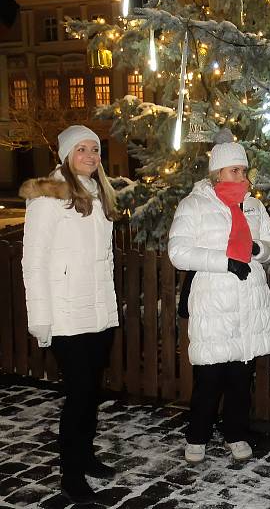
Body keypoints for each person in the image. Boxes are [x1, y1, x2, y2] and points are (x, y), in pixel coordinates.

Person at [168, 131, 270, 464]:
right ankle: (197, 436)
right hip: (214, 303)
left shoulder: (254, 205)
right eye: (235, 170)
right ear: (217, 172)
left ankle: (236, 433)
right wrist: (224, 261)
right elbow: (179, 252)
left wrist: (258, 250)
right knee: (209, 378)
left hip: (248, 301)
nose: (242, 177)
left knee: (240, 377)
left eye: (243, 171)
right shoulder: (194, 205)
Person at [20, 125, 119, 504]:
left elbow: (102, 263)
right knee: (78, 396)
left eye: (95, 149)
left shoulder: (97, 192)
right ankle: (71, 474)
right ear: (65, 154)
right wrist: (40, 319)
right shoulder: (49, 197)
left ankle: (86, 456)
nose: (91, 156)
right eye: (82, 149)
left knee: (91, 393)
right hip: (66, 316)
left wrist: (109, 311)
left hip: (97, 314)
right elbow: (34, 262)